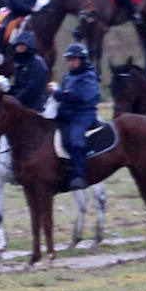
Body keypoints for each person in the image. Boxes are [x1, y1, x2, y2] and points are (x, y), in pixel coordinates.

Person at [50, 42, 100, 190]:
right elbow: (63, 97)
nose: (71, 63)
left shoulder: (89, 77)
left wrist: (60, 93)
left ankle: (79, 175)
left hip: (83, 114)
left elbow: (80, 97)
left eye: (74, 60)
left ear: (81, 60)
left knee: (76, 141)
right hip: (67, 114)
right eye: (69, 60)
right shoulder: (68, 77)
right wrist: (58, 93)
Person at [6, 31, 49, 112]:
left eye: (23, 45)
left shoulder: (37, 64)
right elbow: (18, 86)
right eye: (18, 45)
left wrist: (15, 100)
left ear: (29, 46)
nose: (19, 47)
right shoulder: (20, 63)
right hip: (21, 105)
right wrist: (7, 88)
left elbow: (33, 88)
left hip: (34, 107)